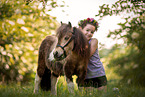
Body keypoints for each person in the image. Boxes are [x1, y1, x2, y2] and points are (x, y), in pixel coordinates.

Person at [78, 18, 107, 91]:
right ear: (81, 29)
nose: (89, 33)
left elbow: (86, 56)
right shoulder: (77, 42)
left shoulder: (94, 41)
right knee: (89, 94)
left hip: (98, 73)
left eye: (92, 32)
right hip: (86, 75)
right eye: (87, 30)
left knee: (102, 95)